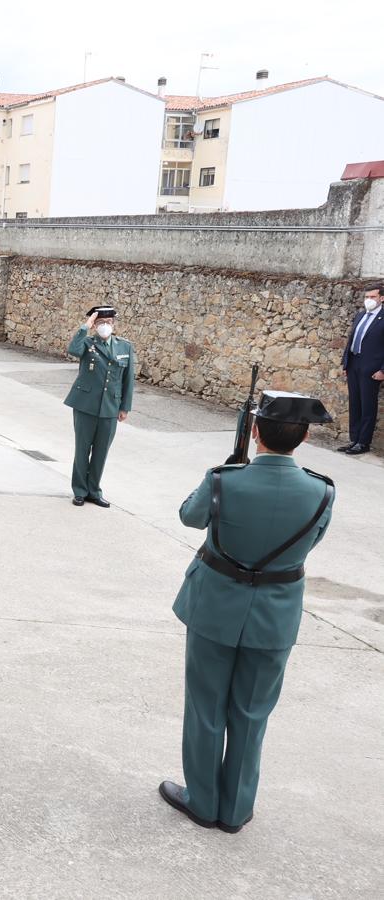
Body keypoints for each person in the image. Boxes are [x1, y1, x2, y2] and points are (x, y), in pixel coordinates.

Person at [160, 391, 335, 834]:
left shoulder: (224, 480)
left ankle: (202, 800)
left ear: (254, 432)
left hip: (216, 605)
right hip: (275, 615)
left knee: (206, 707)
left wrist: (228, 469)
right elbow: (308, 545)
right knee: (252, 713)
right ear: (305, 436)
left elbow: (188, 516)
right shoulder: (322, 490)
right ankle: (235, 809)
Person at [64, 305, 135, 508]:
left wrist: (125, 407)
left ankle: (94, 491)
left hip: (111, 406)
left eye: (109, 322)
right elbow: (73, 350)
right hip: (85, 405)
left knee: (101, 451)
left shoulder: (124, 347)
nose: (105, 326)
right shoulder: (86, 342)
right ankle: (79, 490)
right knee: (82, 449)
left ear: (114, 324)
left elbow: (128, 380)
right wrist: (85, 326)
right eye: (101, 322)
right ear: (95, 325)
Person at [338, 281, 384, 455]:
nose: (369, 300)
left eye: (372, 297)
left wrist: (383, 370)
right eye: (366, 297)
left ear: (382, 298)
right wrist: (346, 363)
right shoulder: (360, 315)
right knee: (355, 404)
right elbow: (351, 341)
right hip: (354, 364)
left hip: (372, 369)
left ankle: (363, 443)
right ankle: (354, 439)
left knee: (367, 406)